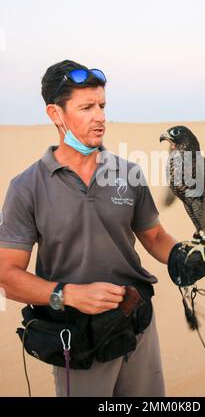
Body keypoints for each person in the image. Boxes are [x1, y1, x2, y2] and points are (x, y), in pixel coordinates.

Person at [0, 59, 178, 397]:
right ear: (56, 114)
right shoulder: (26, 187)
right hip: (79, 340)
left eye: (102, 105)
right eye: (87, 107)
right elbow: (6, 275)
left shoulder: (129, 173)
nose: (100, 116)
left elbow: (154, 237)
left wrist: (182, 256)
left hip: (138, 322)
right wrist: (69, 295)